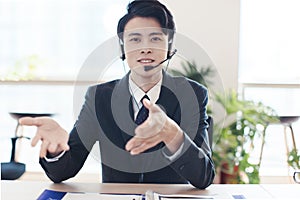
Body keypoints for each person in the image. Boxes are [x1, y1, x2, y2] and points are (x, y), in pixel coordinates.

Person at [19, 0, 215, 189]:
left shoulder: (192, 94)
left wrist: (173, 134)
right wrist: (57, 149)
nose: (145, 48)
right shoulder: (99, 98)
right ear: (123, 47)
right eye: (135, 39)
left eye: (155, 38)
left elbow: (203, 177)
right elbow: (63, 172)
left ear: (169, 46)